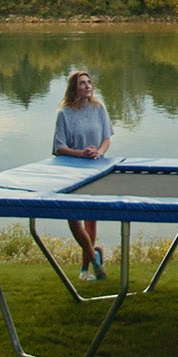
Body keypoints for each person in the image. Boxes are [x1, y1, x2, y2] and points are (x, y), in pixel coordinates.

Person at [53, 68, 113, 281]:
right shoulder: (64, 114)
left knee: (91, 220)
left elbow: (106, 139)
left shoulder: (99, 109)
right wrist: (80, 153)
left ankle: (85, 270)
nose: (87, 86)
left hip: (96, 169)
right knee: (73, 220)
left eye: (89, 82)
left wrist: (99, 152)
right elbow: (59, 147)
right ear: (73, 88)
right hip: (70, 170)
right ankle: (95, 257)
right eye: (82, 83)